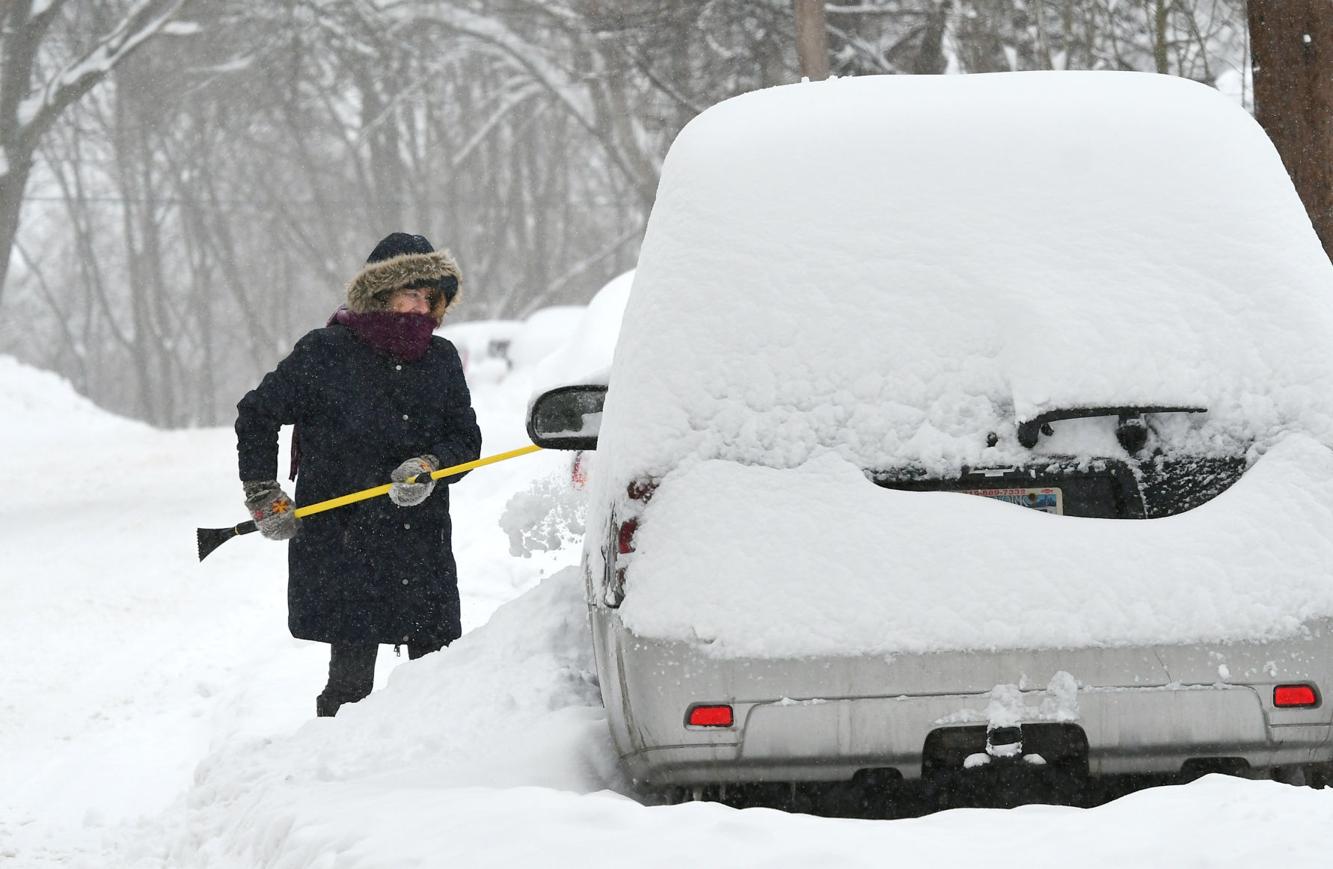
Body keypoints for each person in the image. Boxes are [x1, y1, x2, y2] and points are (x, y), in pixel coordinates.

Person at [235, 232, 482, 717]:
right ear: (379, 292)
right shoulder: (326, 352)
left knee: (435, 685)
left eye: (430, 297)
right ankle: (338, 776)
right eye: (410, 291)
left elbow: (466, 441)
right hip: (345, 541)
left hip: (419, 543)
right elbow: (257, 413)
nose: (420, 306)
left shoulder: (441, 358)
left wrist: (432, 466)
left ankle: (439, 779)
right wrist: (263, 492)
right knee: (348, 688)